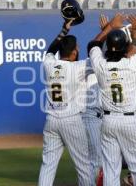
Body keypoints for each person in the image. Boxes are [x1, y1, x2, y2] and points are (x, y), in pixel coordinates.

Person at [87, 13, 136, 186]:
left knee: (111, 168)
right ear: (126, 48)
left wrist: (110, 26)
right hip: (130, 121)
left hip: (109, 121)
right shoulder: (132, 63)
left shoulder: (101, 65)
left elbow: (93, 44)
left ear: (107, 48)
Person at [38, 18, 94, 186]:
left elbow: (50, 50)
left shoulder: (49, 64)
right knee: (83, 165)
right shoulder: (78, 67)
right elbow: (99, 56)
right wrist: (108, 29)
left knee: (48, 164)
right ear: (74, 52)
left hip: (52, 120)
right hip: (71, 120)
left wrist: (64, 30)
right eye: (77, 48)